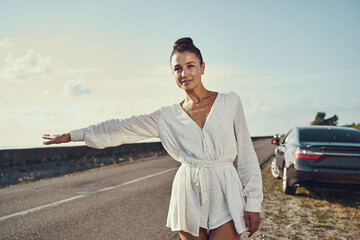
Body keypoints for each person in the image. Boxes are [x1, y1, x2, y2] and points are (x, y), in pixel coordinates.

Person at [43, 37, 263, 240]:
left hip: (225, 190)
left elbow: (246, 155)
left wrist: (253, 202)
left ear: (202, 68)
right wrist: (74, 135)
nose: (184, 73)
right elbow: (122, 127)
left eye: (190, 66)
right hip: (188, 194)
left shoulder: (229, 102)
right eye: (177, 68)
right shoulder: (166, 116)